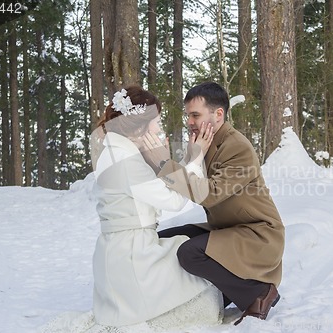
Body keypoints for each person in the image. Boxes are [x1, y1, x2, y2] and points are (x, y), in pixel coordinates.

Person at [90, 85, 222, 328]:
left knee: (185, 246)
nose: (160, 127)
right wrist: (195, 157)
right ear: (140, 124)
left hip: (121, 250)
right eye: (157, 121)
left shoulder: (118, 150)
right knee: (195, 264)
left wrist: (164, 159)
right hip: (132, 255)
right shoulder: (125, 160)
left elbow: (162, 185)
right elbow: (174, 200)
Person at [156, 82, 285, 325]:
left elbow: (210, 194)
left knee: (189, 253)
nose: (190, 122)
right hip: (227, 229)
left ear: (218, 114)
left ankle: (257, 293)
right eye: (188, 116)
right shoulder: (202, 143)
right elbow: (184, 184)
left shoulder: (237, 147)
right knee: (166, 239)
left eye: (195, 115)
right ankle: (213, 292)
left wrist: (166, 165)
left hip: (258, 234)